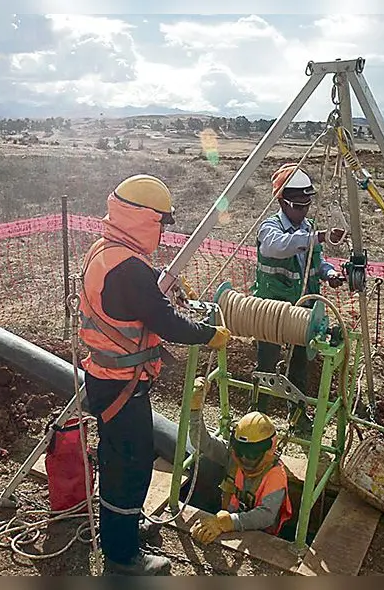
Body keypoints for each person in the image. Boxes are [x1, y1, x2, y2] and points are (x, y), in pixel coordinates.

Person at [77, 173, 231, 576]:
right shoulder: (131, 270)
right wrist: (209, 334)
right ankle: (123, 557)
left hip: (105, 378)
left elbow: (143, 305)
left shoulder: (104, 250)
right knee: (130, 466)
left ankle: (123, 529)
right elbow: (168, 324)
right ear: (145, 221)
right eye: (161, 223)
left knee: (119, 460)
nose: (163, 232)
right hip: (122, 387)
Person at [250, 163, 346, 429]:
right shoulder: (269, 228)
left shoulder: (308, 227)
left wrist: (329, 273)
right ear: (282, 201)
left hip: (304, 311)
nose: (303, 211)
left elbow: (317, 260)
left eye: (307, 205)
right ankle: (257, 418)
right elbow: (279, 247)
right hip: (271, 310)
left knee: (299, 367)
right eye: (298, 206)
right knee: (266, 365)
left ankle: (298, 416)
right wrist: (320, 236)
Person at [186, 377, 293, 545]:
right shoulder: (234, 454)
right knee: (205, 463)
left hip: (261, 537)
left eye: (252, 455)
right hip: (229, 518)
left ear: (269, 450)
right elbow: (203, 444)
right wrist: (195, 410)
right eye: (241, 452)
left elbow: (265, 515)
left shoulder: (275, 475)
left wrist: (227, 523)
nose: (244, 459)